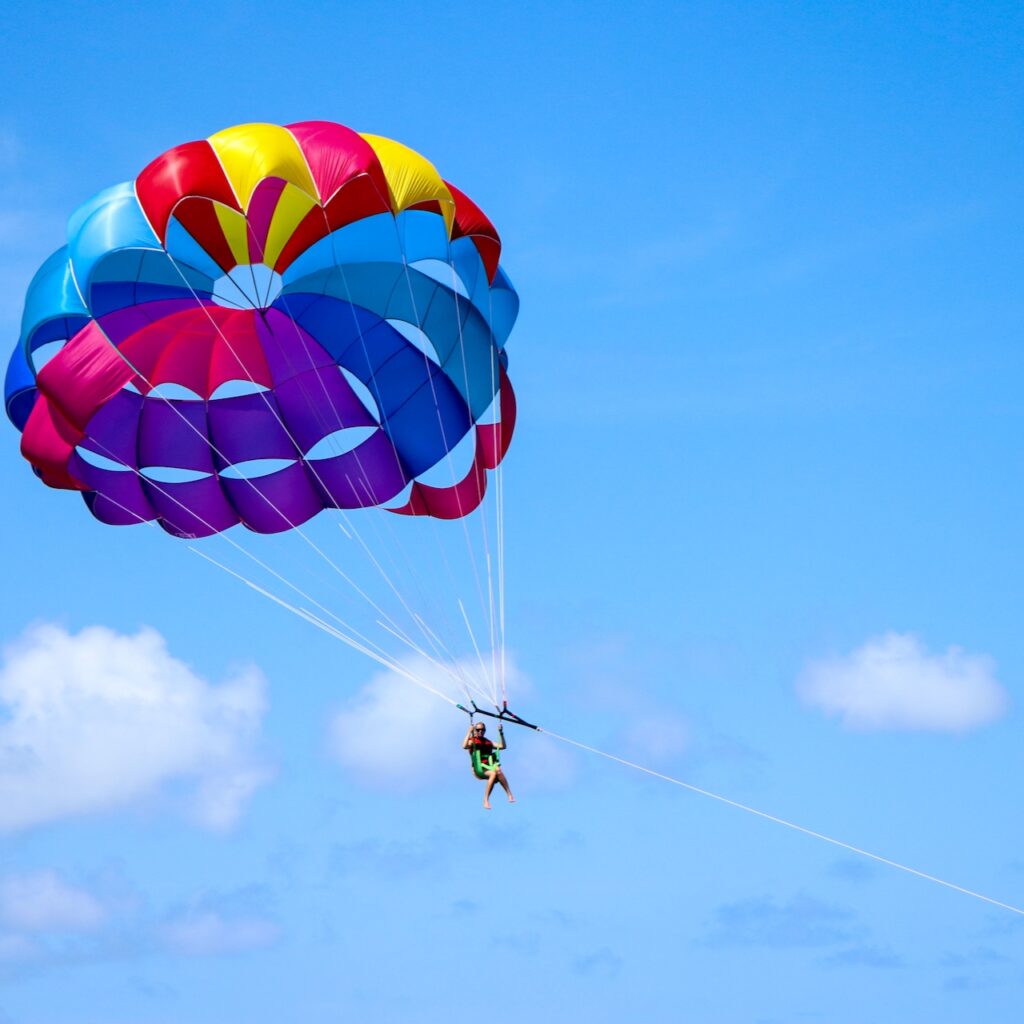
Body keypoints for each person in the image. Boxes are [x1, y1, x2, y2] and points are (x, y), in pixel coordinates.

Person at [462, 721, 515, 809]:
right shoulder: (473, 741)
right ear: (474, 730)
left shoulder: (488, 742)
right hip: (478, 769)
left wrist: (501, 732)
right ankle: (485, 799)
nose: (480, 732)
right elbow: (464, 746)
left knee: (498, 769)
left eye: (483, 730)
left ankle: (509, 794)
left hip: (489, 767)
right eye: (478, 730)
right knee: (493, 773)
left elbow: (502, 746)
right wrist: (469, 731)